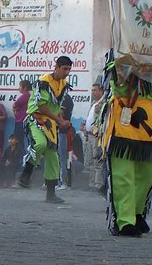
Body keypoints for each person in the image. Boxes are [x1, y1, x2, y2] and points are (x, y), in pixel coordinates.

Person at [97, 52, 152, 236]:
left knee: (148, 172)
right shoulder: (117, 57)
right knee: (123, 174)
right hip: (122, 121)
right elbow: (115, 82)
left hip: (147, 126)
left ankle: (137, 212)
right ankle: (124, 220)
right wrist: (132, 66)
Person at [19, 57, 73, 204]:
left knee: (52, 156)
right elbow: (42, 107)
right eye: (64, 69)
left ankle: (51, 193)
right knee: (41, 144)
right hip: (36, 118)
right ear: (56, 66)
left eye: (69, 69)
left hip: (50, 122)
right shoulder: (44, 81)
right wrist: (60, 120)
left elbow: (57, 106)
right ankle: (27, 172)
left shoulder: (63, 84)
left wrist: (60, 118)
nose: (67, 72)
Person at [83, 82, 106, 192]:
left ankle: (98, 184)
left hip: (97, 136)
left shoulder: (103, 104)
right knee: (90, 161)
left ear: (101, 91)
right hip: (89, 136)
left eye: (95, 90)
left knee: (97, 161)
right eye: (92, 90)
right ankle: (91, 183)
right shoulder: (93, 103)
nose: (93, 92)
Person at [11, 79, 31, 148]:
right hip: (20, 120)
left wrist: (15, 108)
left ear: (25, 88)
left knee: (18, 140)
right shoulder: (27, 95)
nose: (18, 88)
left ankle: (21, 156)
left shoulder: (25, 96)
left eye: (20, 86)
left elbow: (15, 105)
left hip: (21, 121)